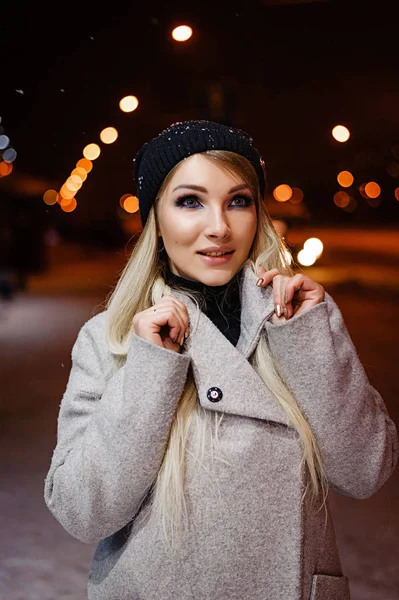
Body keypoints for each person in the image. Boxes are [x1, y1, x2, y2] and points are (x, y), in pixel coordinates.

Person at [44, 120, 398, 600]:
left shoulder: (299, 319)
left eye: (239, 201)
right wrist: (150, 368)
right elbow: (83, 512)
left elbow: (365, 472)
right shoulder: (111, 339)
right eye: (190, 201)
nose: (219, 227)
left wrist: (308, 339)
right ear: (156, 220)